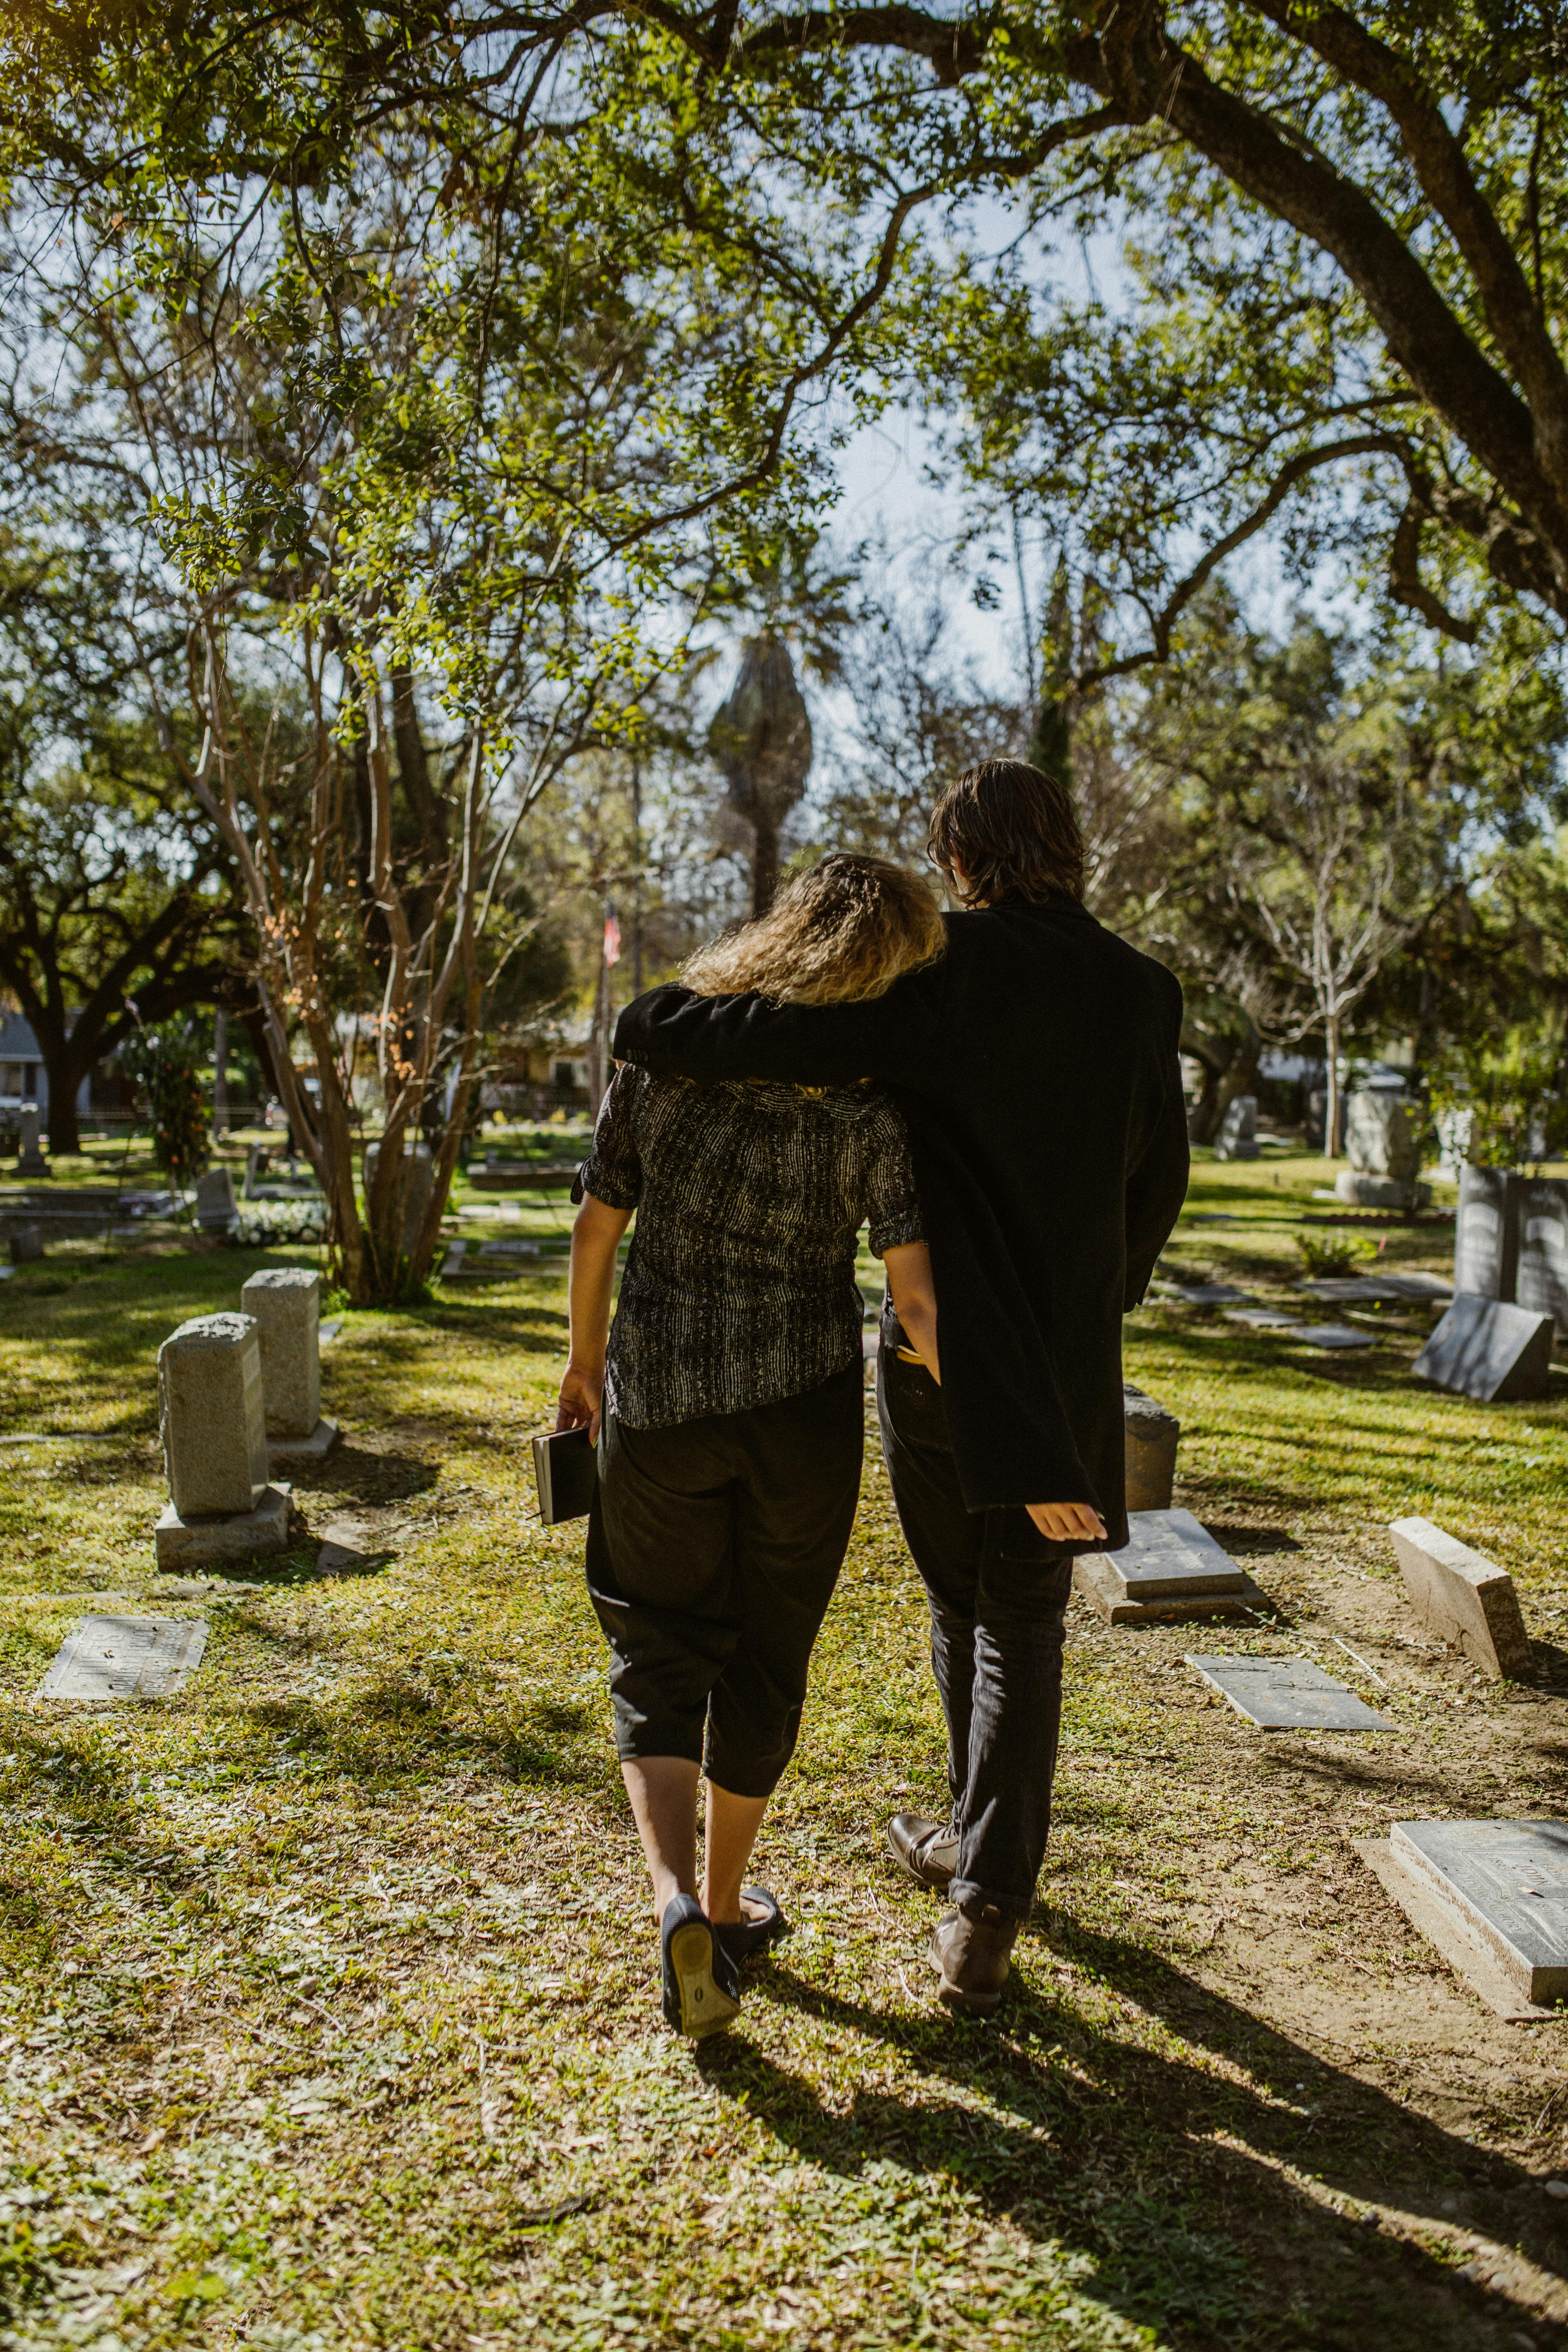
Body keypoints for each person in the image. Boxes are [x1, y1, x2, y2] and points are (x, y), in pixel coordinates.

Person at [612, 759, 1189, 2014]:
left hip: (936, 1356)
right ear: (1070, 846)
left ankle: (975, 1865)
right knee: (1023, 1619)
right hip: (1067, 1366)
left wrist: (651, 1018)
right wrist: (1102, 1295)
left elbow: (770, 1033)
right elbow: (1161, 1181)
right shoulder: (1146, 991)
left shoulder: (945, 971)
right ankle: (983, 1898)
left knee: (958, 1598)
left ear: (965, 858)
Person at [556, 854, 946, 2038]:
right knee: (768, 1655)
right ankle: (727, 1910)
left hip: (662, 1402)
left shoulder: (660, 1068)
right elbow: (917, 1307)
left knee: (657, 1646)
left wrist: (582, 1365)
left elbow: (595, 1230)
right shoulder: (875, 1109)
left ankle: (672, 1899)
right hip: (803, 1417)